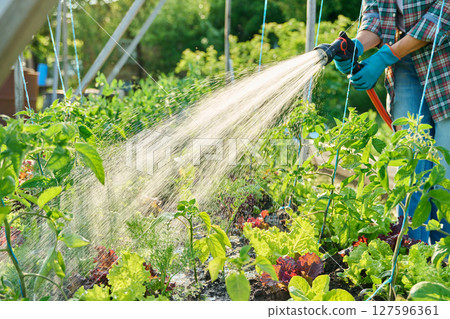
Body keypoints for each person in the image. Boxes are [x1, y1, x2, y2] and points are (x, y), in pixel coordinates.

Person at [334, 0, 450, 244]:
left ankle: (444, 259)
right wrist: (357, 46)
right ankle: (413, 257)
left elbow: (443, 12)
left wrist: (385, 56)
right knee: (411, 165)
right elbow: (376, 12)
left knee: (444, 172)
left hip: (444, 57)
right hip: (404, 61)